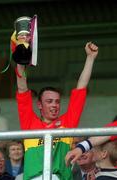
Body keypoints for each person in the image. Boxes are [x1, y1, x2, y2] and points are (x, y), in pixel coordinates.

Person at [15, 42, 98, 180]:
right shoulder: (29, 122)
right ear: (39, 105)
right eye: (49, 101)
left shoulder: (67, 122)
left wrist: (90, 58)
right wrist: (20, 61)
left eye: (57, 101)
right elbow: (22, 89)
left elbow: (81, 88)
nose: (54, 105)